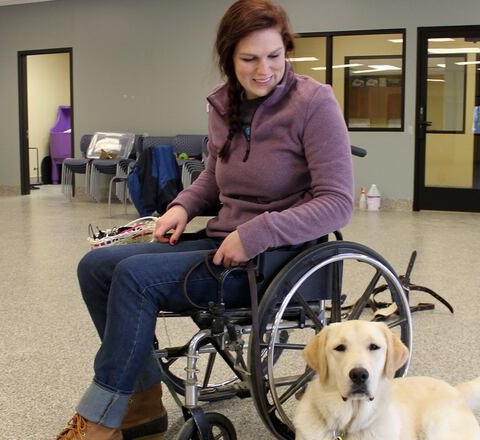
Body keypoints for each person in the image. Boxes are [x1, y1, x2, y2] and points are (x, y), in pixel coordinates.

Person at [56, 0, 353, 439]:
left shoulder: (314, 103)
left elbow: (337, 202)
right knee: (95, 267)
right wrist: (182, 206)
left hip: (275, 260)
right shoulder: (223, 104)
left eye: (274, 55)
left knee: (136, 278)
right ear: (229, 58)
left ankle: (101, 420)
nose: (264, 70)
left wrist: (256, 233)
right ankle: (142, 402)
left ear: (286, 50)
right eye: (249, 59)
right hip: (223, 243)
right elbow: (214, 176)